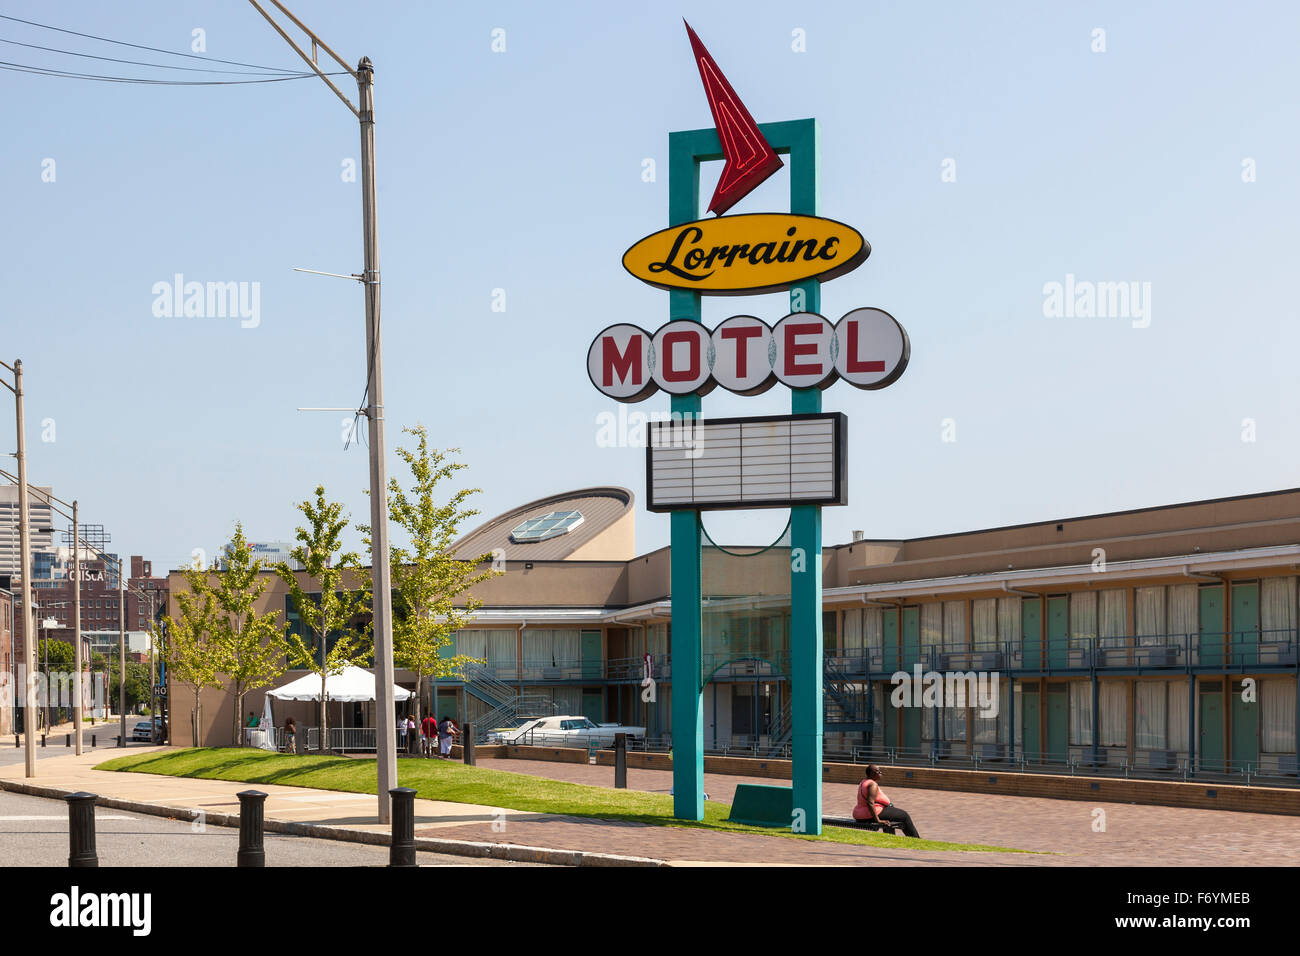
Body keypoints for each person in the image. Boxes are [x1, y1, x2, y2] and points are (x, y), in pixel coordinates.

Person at [853, 764, 920, 838]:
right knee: (904, 815)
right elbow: (870, 803)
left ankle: (890, 838)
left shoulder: (864, 781)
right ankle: (915, 839)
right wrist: (878, 820)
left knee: (891, 814)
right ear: (872, 773)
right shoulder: (872, 785)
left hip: (859, 813)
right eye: (878, 772)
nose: (881, 773)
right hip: (869, 814)